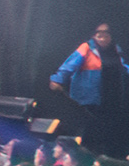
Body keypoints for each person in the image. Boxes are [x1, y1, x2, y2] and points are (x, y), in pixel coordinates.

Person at [48, 21, 118, 153]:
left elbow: (124, 67)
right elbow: (69, 65)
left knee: (102, 132)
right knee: (85, 131)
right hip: (85, 100)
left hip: (107, 101)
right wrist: (58, 79)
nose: (103, 38)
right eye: (99, 35)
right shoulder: (86, 48)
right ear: (94, 36)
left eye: (106, 35)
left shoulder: (115, 51)